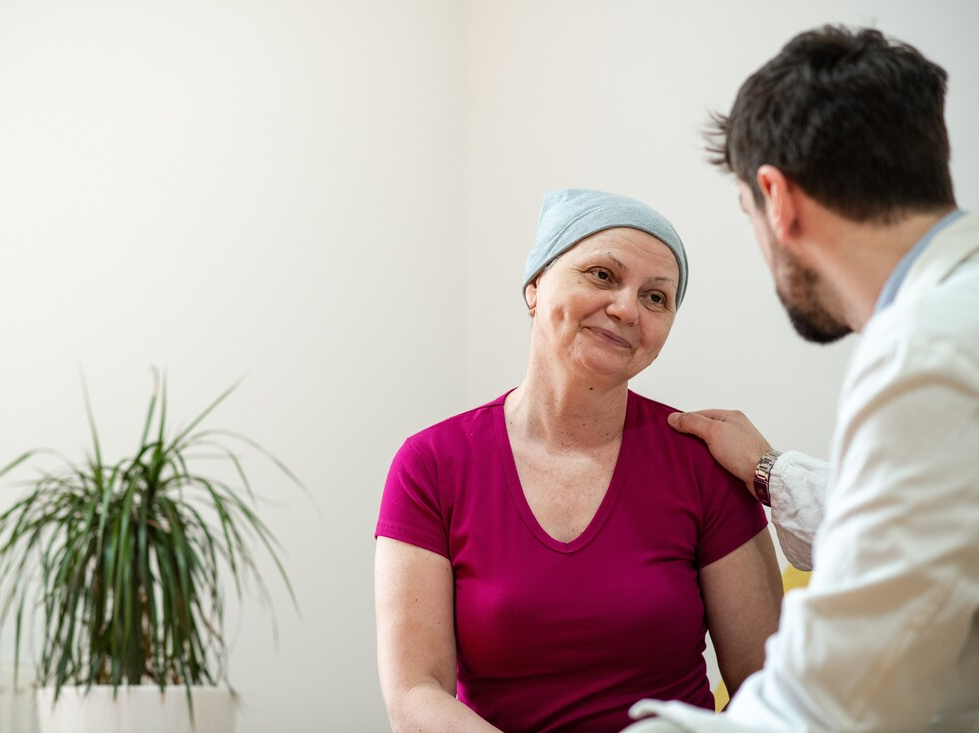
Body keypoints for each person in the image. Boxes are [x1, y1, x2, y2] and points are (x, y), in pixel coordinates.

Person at [625, 25, 979, 732]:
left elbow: (829, 704)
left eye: (656, 294)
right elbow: (933, 531)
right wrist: (769, 469)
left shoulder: (926, 351)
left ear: (776, 197)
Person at [374, 188, 783, 732]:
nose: (626, 308)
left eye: (657, 298)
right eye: (603, 275)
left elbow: (767, 685)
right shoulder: (431, 465)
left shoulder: (703, 464)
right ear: (536, 286)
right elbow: (414, 693)